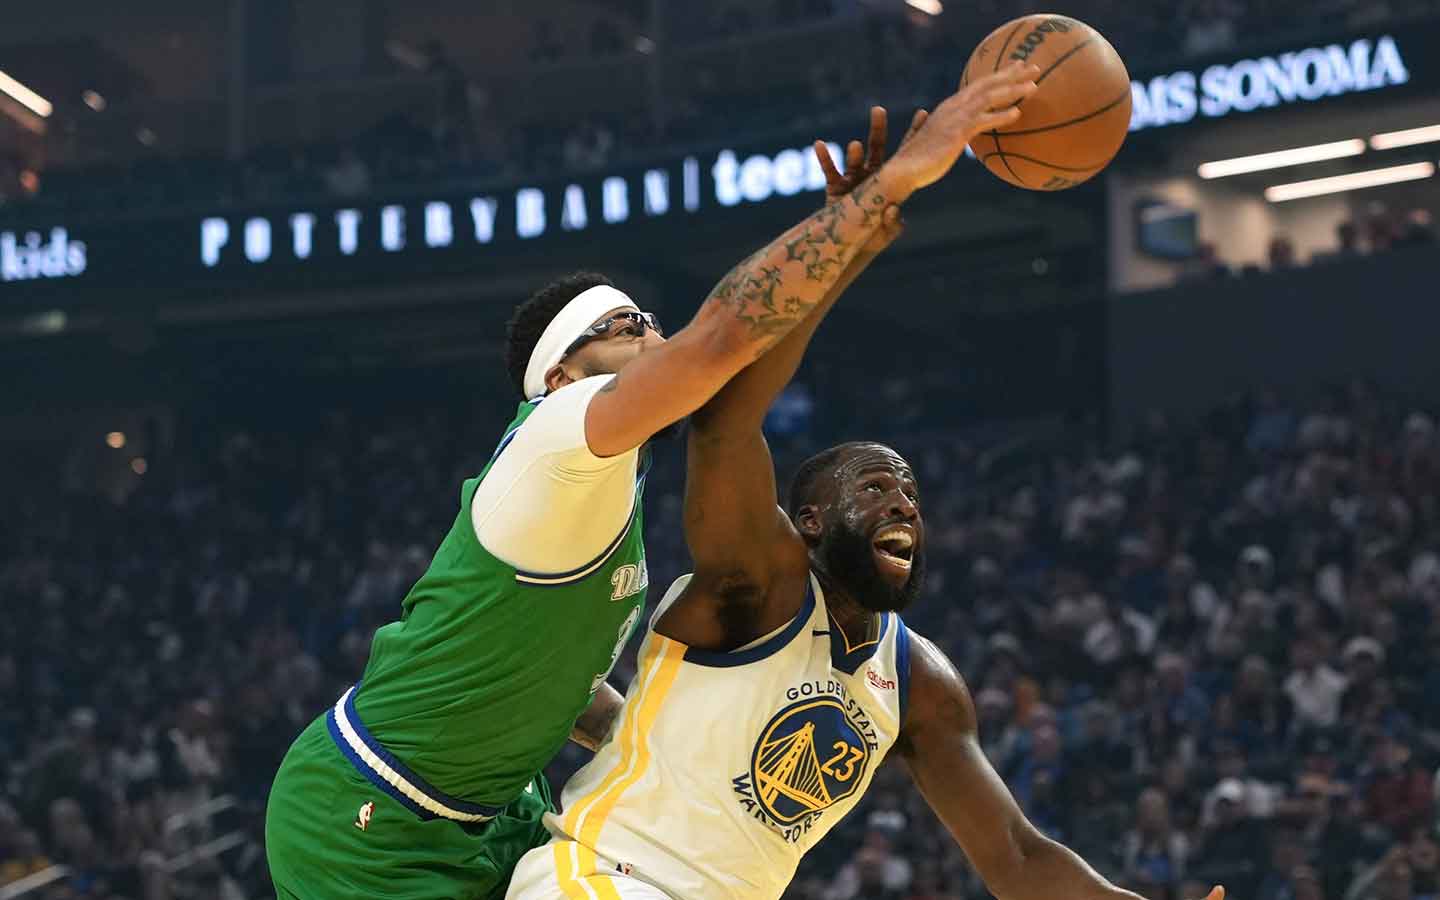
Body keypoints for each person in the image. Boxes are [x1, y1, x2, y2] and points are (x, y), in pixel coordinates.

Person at [260, 75, 1016, 900]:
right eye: (624, 328)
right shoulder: (558, 432)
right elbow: (724, 340)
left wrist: (665, 743)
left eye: (651, 320)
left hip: (496, 810)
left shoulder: (608, 488)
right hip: (371, 813)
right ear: (560, 372)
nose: (654, 336)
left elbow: (563, 687)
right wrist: (874, 203)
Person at [506, 71, 1225, 900]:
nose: (902, 504)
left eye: (910, 493)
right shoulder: (759, 580)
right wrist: (840, 238)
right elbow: (724, 422)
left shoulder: (920, 683)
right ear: (807, 522)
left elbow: (1018, 858)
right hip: (601, 880)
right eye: (875, 487)